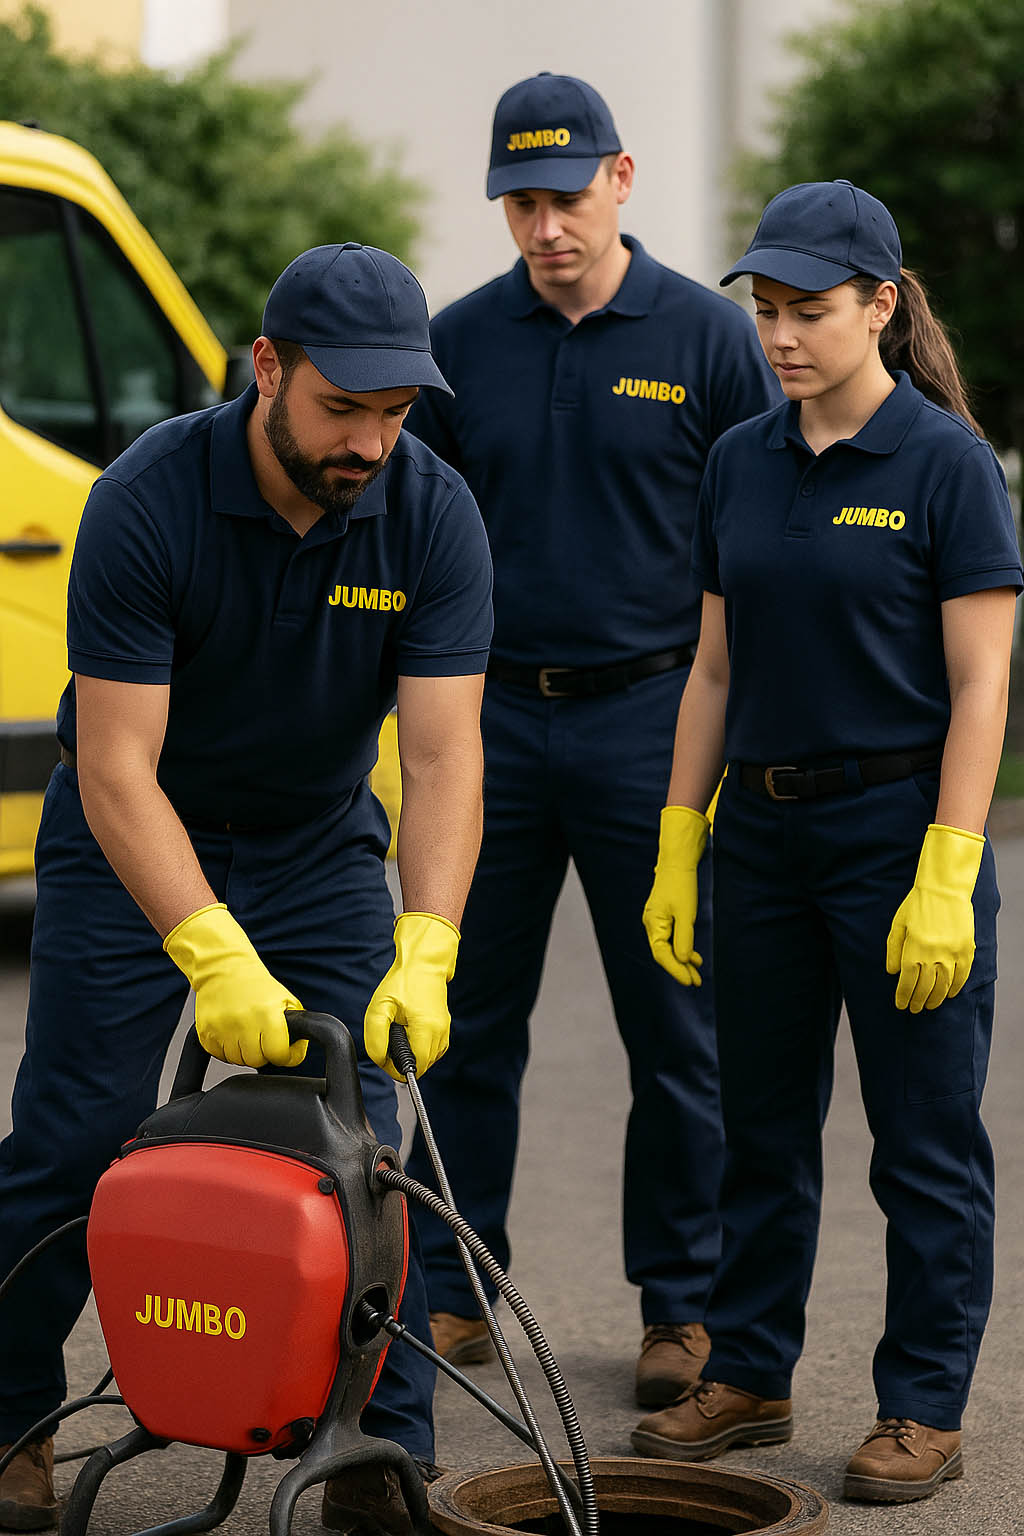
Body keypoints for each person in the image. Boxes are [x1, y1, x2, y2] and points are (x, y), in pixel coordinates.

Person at [0, 242, 493, 1536]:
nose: (370, 443)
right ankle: (14, 1430)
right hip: (136, 834)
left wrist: (429, 941)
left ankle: (377, 1448)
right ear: (267, 368)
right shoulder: (148, 499)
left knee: (369, 1156)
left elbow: (442, 755)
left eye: (394, 413)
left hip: (322, 841)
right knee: (67, 1136)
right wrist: (210, 951)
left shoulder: (432, 512)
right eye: (344, 407)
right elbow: (114, 768)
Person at [631, 180, 1021, 1504]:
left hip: (897, 831)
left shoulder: (946, 467)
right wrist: (682, 838)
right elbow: (712, 671)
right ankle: (747, 1372)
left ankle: (921, 1405)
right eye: (765, 311)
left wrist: (950, 874)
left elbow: (982, 688)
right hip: (763, 843)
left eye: (809, 312)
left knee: (922, 1141)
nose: (781, 336)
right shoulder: (739, 458)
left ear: (881, 306)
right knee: (759, 1126)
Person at [403, 72, 778, 1405]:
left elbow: (761, 535)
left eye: (566, 197)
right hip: (492, 719)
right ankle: (448, 1289)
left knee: (679, 1029)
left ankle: (682, 1306)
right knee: (459, 1017)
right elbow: (421, 543)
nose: (545, 226)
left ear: (622, 181)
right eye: (520, 202)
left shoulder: (708, 340)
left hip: (654, 718)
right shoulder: (455, 349)